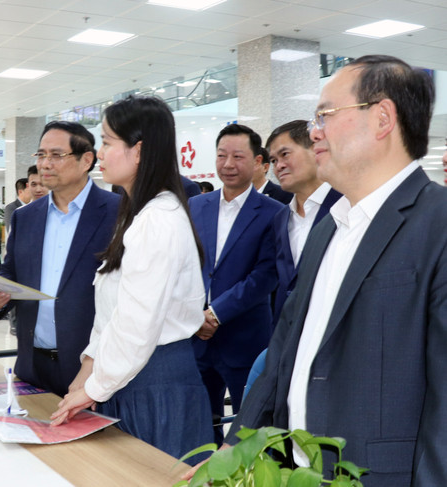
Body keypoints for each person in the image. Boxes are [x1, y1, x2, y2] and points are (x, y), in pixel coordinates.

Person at [224, 55, 447, 486]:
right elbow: (284, 351)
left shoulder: (437, 223)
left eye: (326, 114)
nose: (315, 131)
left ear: (383, 118)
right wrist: (235, 448)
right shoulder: (329, 228)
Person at [48, 96, 212, 460]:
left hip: (156, 380)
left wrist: (93, 388)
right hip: (130, 374)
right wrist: (87, 370)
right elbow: (115, 313)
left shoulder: (159, 219)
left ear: (138, 151)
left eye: (106, 142)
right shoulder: (138, 214)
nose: (99, 152)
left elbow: (137, 325)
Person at [0, 121, 120, 396]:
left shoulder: (117, 214)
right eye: (41, 155)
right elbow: (12, 271)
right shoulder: (26, 216)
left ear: (86, 160)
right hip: (33, 365)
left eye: (56, 155)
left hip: (91, 370)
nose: (45, 163)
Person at [188, 123, 282, 444]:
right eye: (221, 155)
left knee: (249, 430)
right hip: (195, 337)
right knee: (200, 426)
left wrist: (214, 314)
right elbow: (183, 266)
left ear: (258, 162)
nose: (227, 164)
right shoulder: (195, 206)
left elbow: (264, 276)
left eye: (238, 157)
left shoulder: (274, 213)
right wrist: (195, 313)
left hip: (245, 339)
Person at [266, 120, 341, 329]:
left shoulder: (345, 208)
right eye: (273, 160)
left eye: (285, 154)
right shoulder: (281, 218)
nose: (278, 165)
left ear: (315, 149)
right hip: (287, 338)